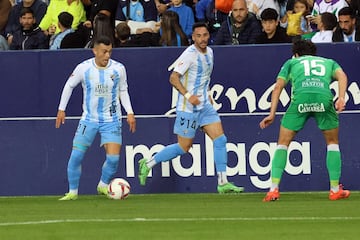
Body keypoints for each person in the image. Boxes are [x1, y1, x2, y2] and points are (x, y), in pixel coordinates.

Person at [138, 22, 244, 194]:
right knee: (183, 147)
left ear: (209, 36)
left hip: (205, 107)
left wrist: (207, 94)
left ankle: (223, 182)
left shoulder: (210, 52)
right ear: (193, 37)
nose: (202, 39)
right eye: (198, 36)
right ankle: (148, 163)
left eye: (205, 35)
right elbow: (173, 78)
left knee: (220, 140)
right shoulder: (189, 55)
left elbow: (204, 78)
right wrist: (189, 96)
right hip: (188, 108)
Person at [260, 39, 350, 202]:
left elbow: (278, 87)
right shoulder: (328, 62)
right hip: (323, 99)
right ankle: (335, 190)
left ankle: (273, 190)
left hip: (300, 100)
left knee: (282, 143)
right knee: (332, 143)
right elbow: (342, 76)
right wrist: (341, 97)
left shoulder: (292, 63)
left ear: (296, 54)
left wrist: (272, 113)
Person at [56, 35, 136, 201]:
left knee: (113, 159)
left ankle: (103, 184)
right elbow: (69, 86)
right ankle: (73, 192)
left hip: (112, 120)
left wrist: (129, 112)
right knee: (76, 156)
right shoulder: (83, 68)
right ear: (95, 51)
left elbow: (123, 90)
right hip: (89, 120)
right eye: (104, 52)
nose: (107, 55)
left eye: (110, 52)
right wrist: (61, 109)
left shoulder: (119, 68)